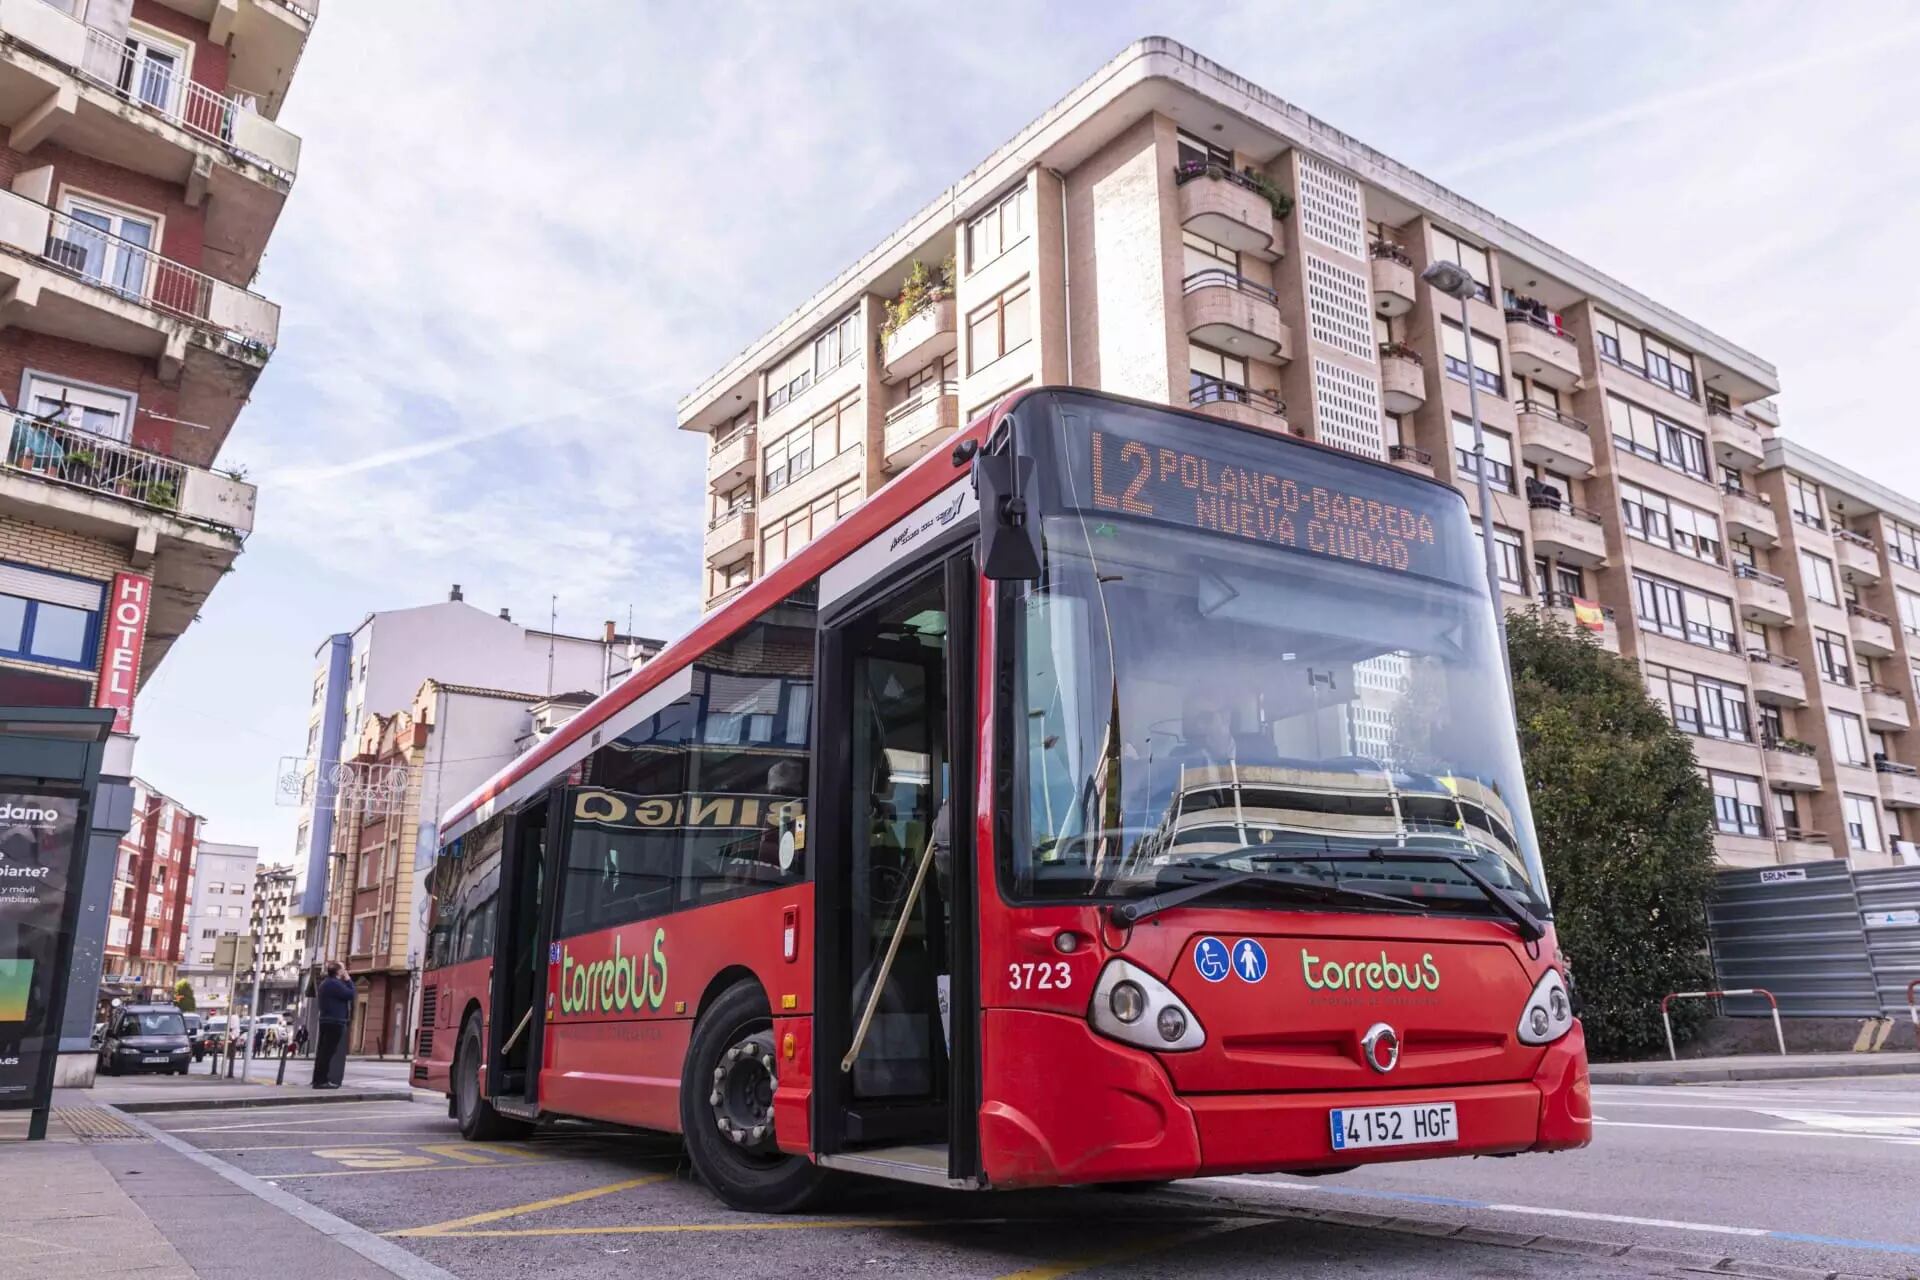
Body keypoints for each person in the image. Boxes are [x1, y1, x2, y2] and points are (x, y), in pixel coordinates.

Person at [312, 962, 354, 1089]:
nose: (345, 971)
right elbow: (351, 994)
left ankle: (318, 1079)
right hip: (334, 1021)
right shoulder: (335, 984)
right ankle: (321, 1080)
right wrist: (348, 980)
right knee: (328, 1052)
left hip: (326, 1020)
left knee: (324, 1051)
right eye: (343, 969)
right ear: (338, 972)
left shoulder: (325, 983)